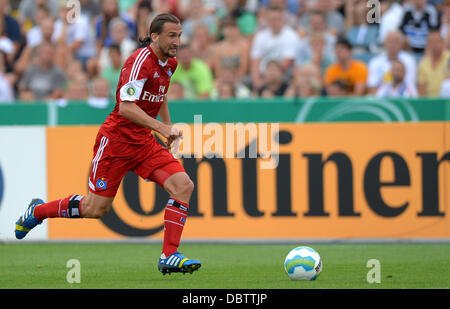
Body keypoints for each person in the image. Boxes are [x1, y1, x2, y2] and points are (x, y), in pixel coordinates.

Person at [15, 13, 202, 276]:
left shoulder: (170, 64)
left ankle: (169, 255)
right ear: (155, 36)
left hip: (144, 142)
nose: (177, 41)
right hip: (116, 142)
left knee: (183, 185)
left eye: (180, 35)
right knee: (95, 209)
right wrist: (160, 127)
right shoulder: (139, 62)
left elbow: (161, 94)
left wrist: (166, 129)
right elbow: (126, 108)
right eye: (172, 35)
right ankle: (39, 210)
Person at [418, 31, 450, 97]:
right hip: (430, 102)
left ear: (442, 43)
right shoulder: (423, 63)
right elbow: (421, 88)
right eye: (431, 42)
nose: (434, 45)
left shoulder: (448, 57)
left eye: (437, 42)